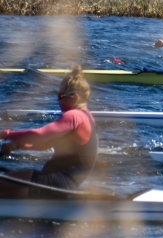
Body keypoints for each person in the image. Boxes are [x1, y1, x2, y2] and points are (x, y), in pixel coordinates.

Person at [0, 65, 98, 197]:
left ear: (75, 97)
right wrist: (17, 144)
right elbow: (45, 144)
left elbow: (39, 135)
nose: (58, 100)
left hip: (54, 182)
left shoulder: (75, 116)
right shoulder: (88, 117)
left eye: (61, 96)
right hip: (65, 185)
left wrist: (7, 134)